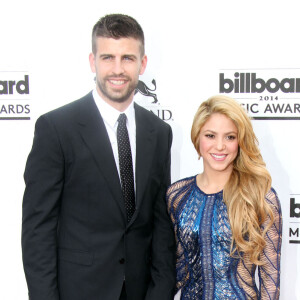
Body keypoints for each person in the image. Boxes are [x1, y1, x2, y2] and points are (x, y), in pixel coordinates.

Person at [22, 14, 175, 300]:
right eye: (108, 58)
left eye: (128, 58)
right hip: (78, 291)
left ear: (142, 64)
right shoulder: (56, 128)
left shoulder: (159, 132)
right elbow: (37, 229)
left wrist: (161, 292)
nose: (117, 69)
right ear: (93, 62)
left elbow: (161, 224)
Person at [166, 95, 282, 299]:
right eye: (210, 135)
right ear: (197, 137)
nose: (219, 146)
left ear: (240, 141)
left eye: (230, 137)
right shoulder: (178, 195)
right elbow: (178, 269)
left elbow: (270, 281)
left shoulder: (259, 197)